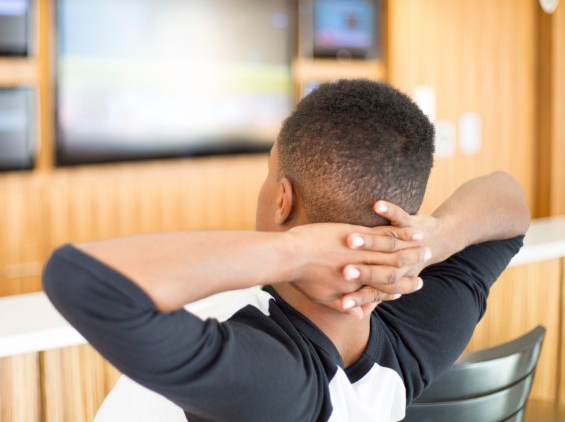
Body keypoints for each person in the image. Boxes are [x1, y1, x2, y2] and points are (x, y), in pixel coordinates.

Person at [43, 79, 529, 422]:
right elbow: (509, 204)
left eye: (268, 174)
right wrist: (435, 237)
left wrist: (294, 251)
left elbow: (80, 279)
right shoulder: (412, 340)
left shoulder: (275, 381)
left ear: (283, 199)